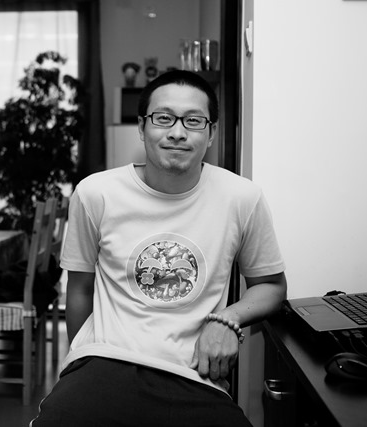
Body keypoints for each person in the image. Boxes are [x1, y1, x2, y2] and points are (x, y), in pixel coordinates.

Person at [30, 70, 287, 427]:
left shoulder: (241, 197)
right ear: (142, 127)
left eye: (193, 120)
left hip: (193, 374)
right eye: (163, 118)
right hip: (104, 360)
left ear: (212, 132)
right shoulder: (96, 193)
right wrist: (79, 361)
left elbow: (272, 286)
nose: (177, 132)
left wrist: (227, 320)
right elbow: (80, 288)